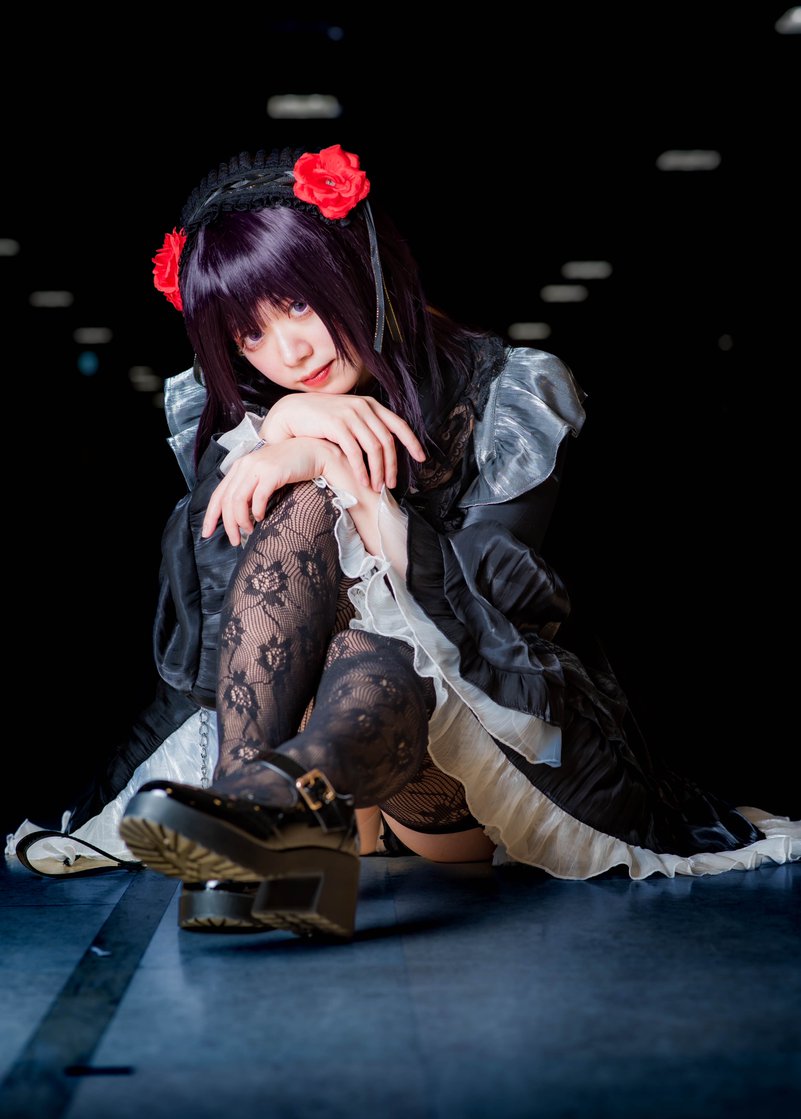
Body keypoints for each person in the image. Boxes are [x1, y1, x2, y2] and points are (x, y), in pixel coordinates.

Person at [13, 144, 799, 938]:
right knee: (307, 536)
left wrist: (343, 475)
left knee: (370, 638)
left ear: (362, 269)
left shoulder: (505, 394)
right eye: (249, 334)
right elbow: (212, 632)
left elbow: (490, 613)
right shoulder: (244, 417)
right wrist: (286, 427)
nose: (288, 353)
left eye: (297, 303)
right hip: (313, 761)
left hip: (456, 781)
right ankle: (263, 811)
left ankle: (258, 816)